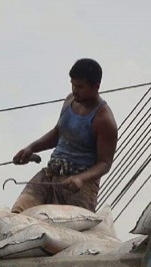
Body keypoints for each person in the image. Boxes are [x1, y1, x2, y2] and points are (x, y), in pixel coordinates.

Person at [11, 58, 118, 212]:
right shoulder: (70, 100)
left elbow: (105, 164)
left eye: (80, 87)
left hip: (79, 185)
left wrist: (81, 178)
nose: (75, 90)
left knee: (66, 231)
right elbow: (57, 133)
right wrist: (31, 148)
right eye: (72, 84)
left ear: (96, 87)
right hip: (52, 172)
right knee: (18, 212)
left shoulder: (104, 120)